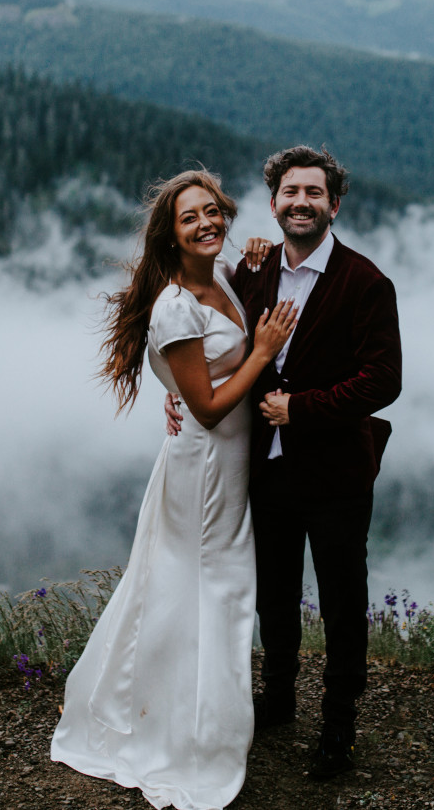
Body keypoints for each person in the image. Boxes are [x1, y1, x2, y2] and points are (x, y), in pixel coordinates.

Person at [51, 168, 298, 810]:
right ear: (171, 233)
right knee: (210, 586)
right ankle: (189, 736)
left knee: (193, 585)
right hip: (206, 467)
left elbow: (193, 384)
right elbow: (210, 406)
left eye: (213, 210)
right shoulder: (174, 305)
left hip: (227, 459)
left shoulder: (217, 279)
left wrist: (256, 260)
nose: (207, 223)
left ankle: (190, 715)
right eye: (191, 217)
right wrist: (263, 349)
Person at [166, 145, 402, 778]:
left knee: (343, 602)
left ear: (334, 204)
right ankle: (278, 701)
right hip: (264, 470)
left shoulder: (366, 282)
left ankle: (339, 728)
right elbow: (217, 348)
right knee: (274, 593)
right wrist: (176, 393)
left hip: (337, 475)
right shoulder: (251, 273)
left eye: (314, 193)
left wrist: (304, 408)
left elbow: (384, 380)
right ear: (273, 204)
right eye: (290, 193)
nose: (302, 203)